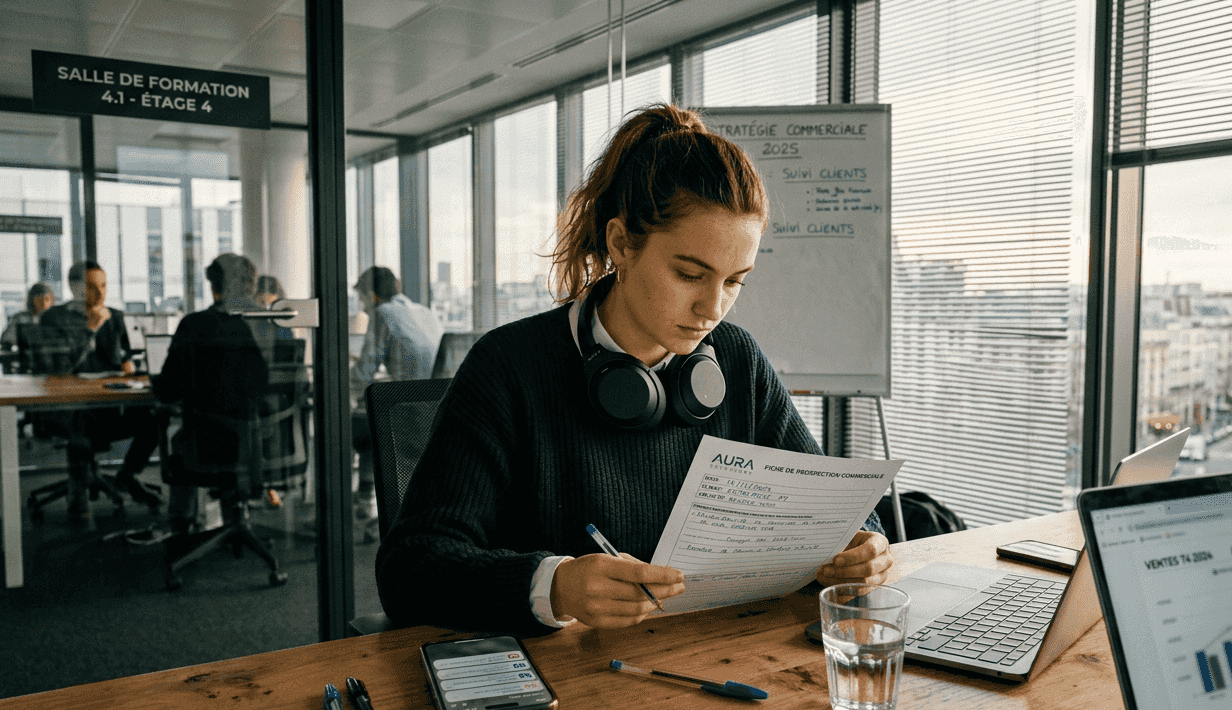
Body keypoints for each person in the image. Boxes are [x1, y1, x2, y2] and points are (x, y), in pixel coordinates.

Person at [376, 104, 891, 634]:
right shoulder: (509, 367)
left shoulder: (736, 358)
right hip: (568, 681)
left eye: (736, 281)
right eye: (690, 274)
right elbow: (410, 568)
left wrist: (862, 544)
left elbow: (839, 510)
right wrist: (555, 586)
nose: (713, 309)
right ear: (621, 244)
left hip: (712, 655)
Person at [151, 254, 276, 536]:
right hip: (268, 446)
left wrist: (156, 387)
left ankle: (180, 527)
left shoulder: (195, 325)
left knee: (181, 438)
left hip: (212, 450)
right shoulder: (273, 324)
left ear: (215, 286)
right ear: (251, 285)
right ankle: (235, 518)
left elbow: (169, 389)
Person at [41, 262, 161, 518]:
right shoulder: (54, 318)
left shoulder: (115, 316)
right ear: (74, 288)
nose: (100, 293)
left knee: (155, 416)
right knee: (80, 420)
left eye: (104, 285)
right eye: (91, 287)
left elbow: (128, 356)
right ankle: (78, 490)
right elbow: (60, 368)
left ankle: (127, 476)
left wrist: (130, 364)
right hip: (69, 406)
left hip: (108, 400)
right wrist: (90, 329)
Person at [350, 265, 443, 543]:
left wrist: (341, 386)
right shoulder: (424, 312)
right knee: (370, 420)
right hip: (437, 412)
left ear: (371, 294)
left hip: (407, 416)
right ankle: (367, 501)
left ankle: (360, 502)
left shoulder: (382, 314)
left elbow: (365, 372)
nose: (363, 305)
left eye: (362, 298)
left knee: (353, 422)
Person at [0, 281, 55, 348]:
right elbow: (6, 341)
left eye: (47, 299)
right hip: (27, 356)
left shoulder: (56, 319)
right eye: (39, 299)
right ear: (32, 300)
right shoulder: (20, 318)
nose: (43, 303)